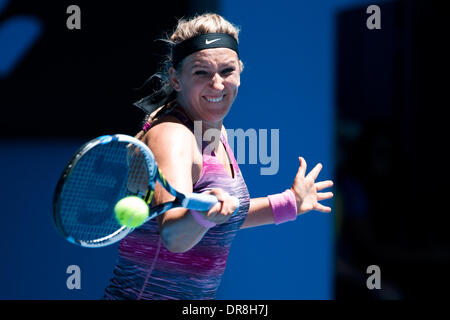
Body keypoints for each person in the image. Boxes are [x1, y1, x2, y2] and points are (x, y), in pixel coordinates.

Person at [103, 12, 334, 300]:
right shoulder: (173, 136)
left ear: (240, 70)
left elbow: (222, 212)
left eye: (227, 71)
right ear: (176, 79)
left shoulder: (214, 131)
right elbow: (173, 235)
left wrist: (288, 203)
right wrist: (202, 217)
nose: (217, 84)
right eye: (201, 72)